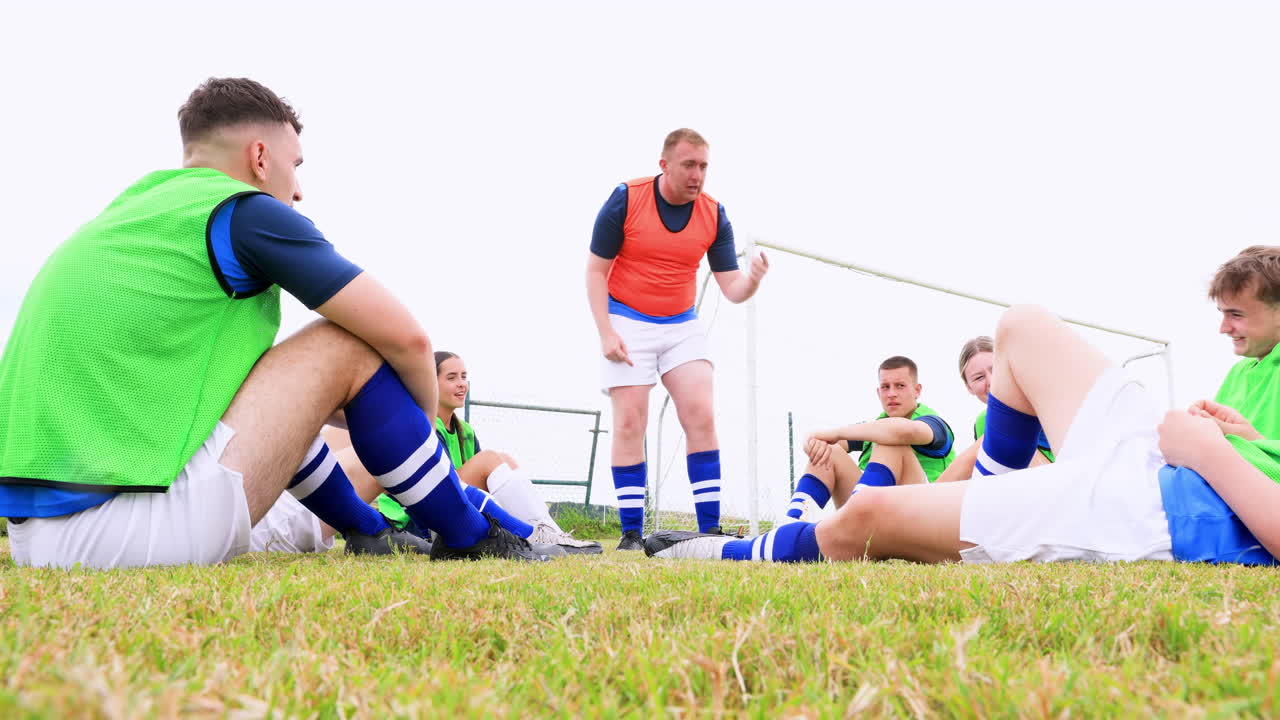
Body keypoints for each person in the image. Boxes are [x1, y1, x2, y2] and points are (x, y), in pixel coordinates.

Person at [0, 77, 542, 568]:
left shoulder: (132, 210)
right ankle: (470, 538)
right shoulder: (241, 210)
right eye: (296, 165)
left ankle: (368, 530)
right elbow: (408, 338)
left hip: (39, 535)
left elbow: (275, 402)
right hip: (116, 530)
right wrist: (425, 434)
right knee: (344, 343)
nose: (299, 189)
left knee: (262, 374)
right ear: (260, 156)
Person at [646, 296, 1280, 567]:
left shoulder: (931, 422)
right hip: (1154, 458)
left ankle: (718, 550)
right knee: (1023, 325)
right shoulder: (1255, 368)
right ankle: (983, 513)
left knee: (866, 512)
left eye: (1236, 313)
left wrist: (1211, 455)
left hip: (1166, 509)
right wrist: (1234, 434)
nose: (1224, 327)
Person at [586, 128, 769, 550]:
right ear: (664, 164)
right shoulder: (626, 199)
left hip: (681, 323)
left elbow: (732, 289)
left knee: (701, 414)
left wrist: (753, 280)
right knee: (631, 420)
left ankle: (708, 532)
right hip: (625, 317)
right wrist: (606, 332)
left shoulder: (714, 213)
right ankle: (630, 534)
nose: (697, 174)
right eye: (689, 164)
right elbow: (595, 271)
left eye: (704, 166)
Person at [271, 351, 602, 555]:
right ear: (430, 382)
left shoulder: (465, 431)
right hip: (416, 516)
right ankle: (534, 534)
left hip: (452, 504)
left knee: (504, 461)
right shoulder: (413, 425)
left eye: (465, 377)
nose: (461, 385)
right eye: (451, 377)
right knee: (488, 462)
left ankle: (543, 531)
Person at [780, 356, 956, 520]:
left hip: (925, 515)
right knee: (830, 451)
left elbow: (902, 432)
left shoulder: (933, 423)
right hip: (878, 512)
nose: (892, 393)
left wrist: (835, 433)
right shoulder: (876, 426)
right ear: (878, 392)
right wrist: (811, 440)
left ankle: (856, 517)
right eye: (886, 387)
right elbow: (823, 441)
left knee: (890, 440)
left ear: (917, 390)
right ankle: (793, 522)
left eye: (900, 386)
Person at [933, 336, 1052, 483]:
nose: (991, 381)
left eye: (996, 370)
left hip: (1056, 480)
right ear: (969, 387)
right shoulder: (983, 420)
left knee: (998, 435)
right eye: (979, 378)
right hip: (1017, 490)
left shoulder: (1036, 400)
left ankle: (928, 497)